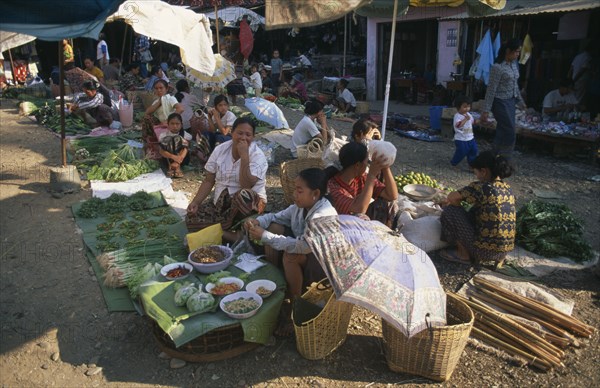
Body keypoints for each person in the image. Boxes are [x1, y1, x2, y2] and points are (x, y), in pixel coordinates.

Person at [245, 168, 336, 335]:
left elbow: (301, 247)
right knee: (275, 226)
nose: (294, 194)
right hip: (306, 252)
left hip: (321, 265)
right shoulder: (300, 207)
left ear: (315, 193)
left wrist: (264, 235)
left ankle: (296, 304)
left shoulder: (322, 216)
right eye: (295, 189)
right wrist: (257, 221)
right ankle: (275, 282)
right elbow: (276, 216)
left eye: (299, 190)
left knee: (291, 256)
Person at [186, 117, 268, 242]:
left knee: (244, 195)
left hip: (249, 204)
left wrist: (244, 156)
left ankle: (234, 232)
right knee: (191, 218)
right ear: (232, 133)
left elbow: (246, 185)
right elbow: (209, 180)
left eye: (248, 135)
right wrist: (196, 202)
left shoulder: (257, 156)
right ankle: (227, 233)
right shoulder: (220, 150)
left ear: (253, 137)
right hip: (222, 204)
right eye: (239, 133)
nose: (243, 138)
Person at [439, 151, 515, 268]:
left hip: (483, 252)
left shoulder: (482, 187)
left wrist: (455, 207)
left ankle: (463, 255)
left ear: (483, 171)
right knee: (475, 210)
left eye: (476, 172)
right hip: (504, 252)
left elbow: (452, 198)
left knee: (450, 211)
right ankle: (492, 257)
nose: (476, 176)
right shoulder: (508, 189)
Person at [327, 142, 399, 228]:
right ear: (357, 165)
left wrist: (385, 166)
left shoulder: (362, 177)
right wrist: (371, 176)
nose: (368, 165)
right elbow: (360, 209)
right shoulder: (333, 187)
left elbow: (392, 195)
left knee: (387, 204)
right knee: (360, 216)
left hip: (359, 222)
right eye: (367, 162)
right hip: (343, 226)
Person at [481, 38, 525, 160]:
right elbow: (491, 89)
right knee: (510, 131)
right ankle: (505, 159)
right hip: (499, 101)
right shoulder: (497, 67)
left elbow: (515, 85)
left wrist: (520, 101)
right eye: (516, 52)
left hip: (511, 101)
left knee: (502, 130)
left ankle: (491, 159)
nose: (517, 54)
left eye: (518, 52)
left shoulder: (514, 65)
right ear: (508, 51)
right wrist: (486, 110)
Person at [158, 113, 189, 178]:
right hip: (168, 159)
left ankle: (177, 167)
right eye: (172, 124)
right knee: (168, 139)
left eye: (177, 124)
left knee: (179, 139)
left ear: (181, 125)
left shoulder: (186, 135)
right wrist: (173, 157)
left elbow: (185, 150)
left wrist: (177, 161)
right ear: (168, 125)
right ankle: (170, 167)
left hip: (182, 160)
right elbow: (161, 151)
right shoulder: (163, 135)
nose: (175, 126)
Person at [451, 95, 478, 167]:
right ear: (458, 107)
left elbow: (473, 122)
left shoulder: (468, 114)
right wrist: (465, 119)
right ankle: (454, 162)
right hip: (461, 139)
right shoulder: (457, 116)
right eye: (465, 107)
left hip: (470, 138)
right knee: (461, 152)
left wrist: (481, 121)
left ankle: (472, 165)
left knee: (474, 151)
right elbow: (458, 125)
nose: (467, 109)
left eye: (468, 106)